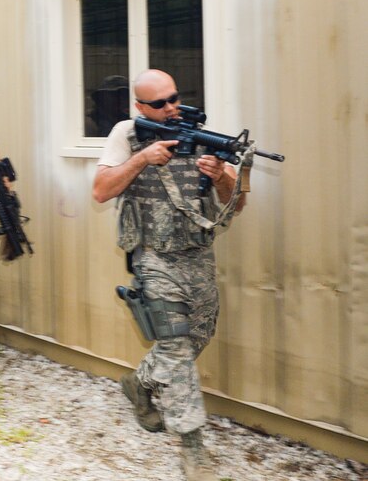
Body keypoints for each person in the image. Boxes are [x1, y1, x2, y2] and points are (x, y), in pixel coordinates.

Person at [92, 69, 247, 481]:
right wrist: (143, 157)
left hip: (198, 254)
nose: (170, 108)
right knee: (176, 347)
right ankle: (193, 449)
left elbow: (236, 204)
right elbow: (100, 190)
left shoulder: (198, 135)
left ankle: (139, 384)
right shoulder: (126, 134)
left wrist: (222, 177)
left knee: (198, 335)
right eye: (159, 103)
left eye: (174, 99)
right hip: (154, 257)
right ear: (140, 107)